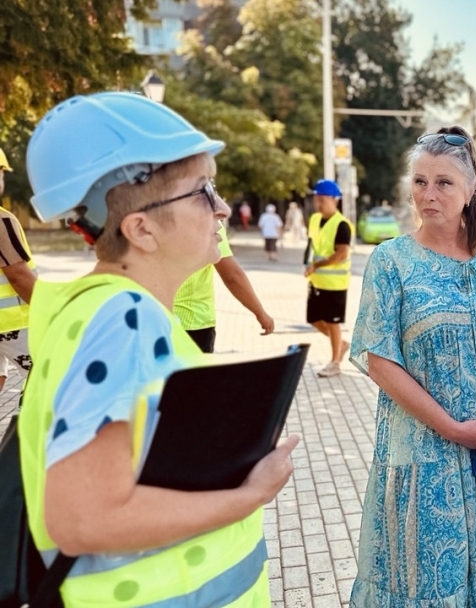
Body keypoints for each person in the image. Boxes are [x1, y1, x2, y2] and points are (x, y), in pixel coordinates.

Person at [19, 91, 299, 606]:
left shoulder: (103, 309)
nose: (220, 208)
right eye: (201, 191)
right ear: (140, 228)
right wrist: (249, 495)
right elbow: (82, 519)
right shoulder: (124, 321)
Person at [348, 126, 476, 607]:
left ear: (470, 190)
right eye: (420, 181)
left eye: (443, 182)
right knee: (430, 580)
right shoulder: (391, 262)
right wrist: (451, 428)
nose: (428, 194)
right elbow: (380, 361)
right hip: (428, 455)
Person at [174, 226, 275, 353]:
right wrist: (260, 313)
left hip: (148, 317)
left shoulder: (148, 214)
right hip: (190, 321)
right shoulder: (207, 221)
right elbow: (232, 276)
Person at [305, 179, 352, 378]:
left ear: (335, 200)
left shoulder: (342, 225)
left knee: (333, 323)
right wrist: (307, 265)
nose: (319, 203)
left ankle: (335, 363)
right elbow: (312, 245)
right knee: (314, 319)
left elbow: (341, 254)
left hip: (335, 284)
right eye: (317, 199)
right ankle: (341, 344)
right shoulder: (315, 219)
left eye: (323, 199)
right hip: (316, 281)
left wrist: (317, 265)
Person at [0, 147, 36, 394]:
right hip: (13, 325)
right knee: (53, 376)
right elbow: (18, 275)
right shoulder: (2, 221)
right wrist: (51, 309)